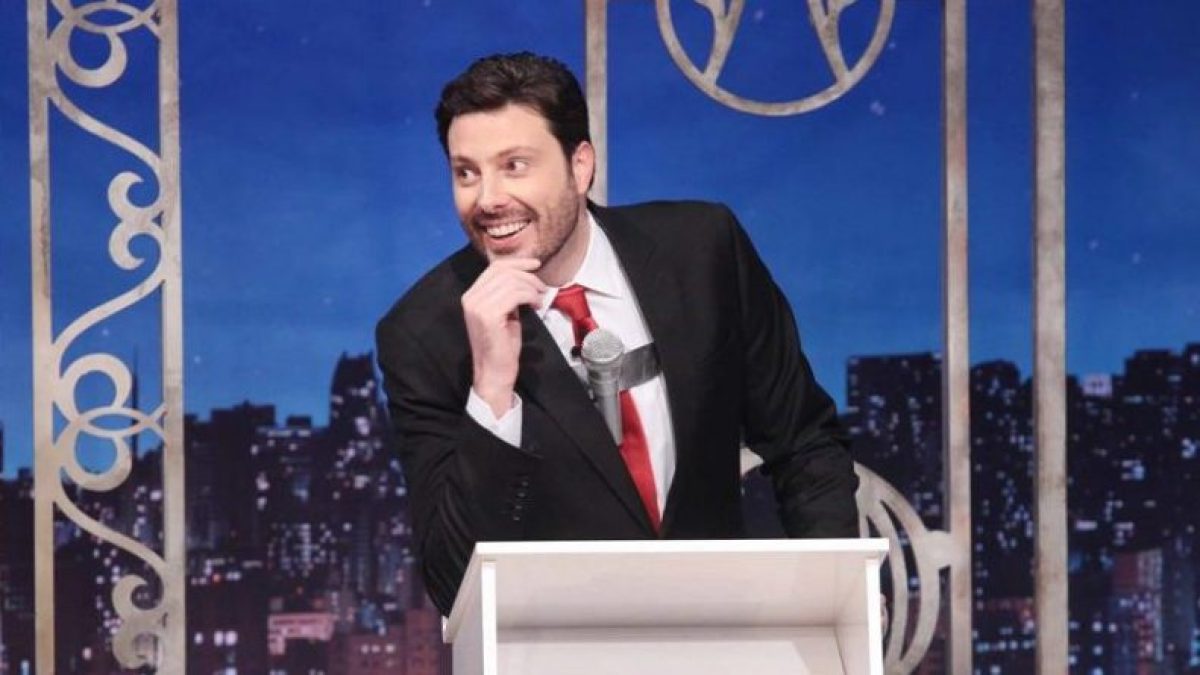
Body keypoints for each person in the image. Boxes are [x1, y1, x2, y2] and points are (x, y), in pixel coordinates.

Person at [375, 52, 859, 616]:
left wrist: (840, 600)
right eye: (466, 173)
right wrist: (491, 391)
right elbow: (452, 581)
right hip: (555, 646)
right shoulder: (423, 335)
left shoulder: (703, 251)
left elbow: (803, 443)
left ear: (580, 166)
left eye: (515, 165)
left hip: (721, 632)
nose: (488, 199)